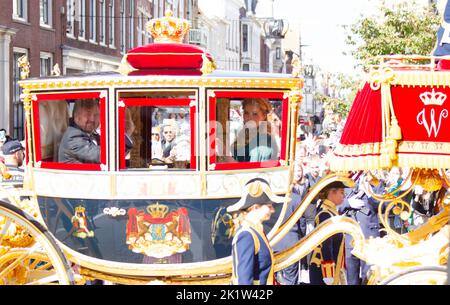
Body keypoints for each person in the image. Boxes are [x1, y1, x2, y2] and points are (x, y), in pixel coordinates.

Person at [227, 178, 285, 285]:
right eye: (269, 206)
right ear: (255, 207)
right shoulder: (246, 235)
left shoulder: (256, 231)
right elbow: (244, 280)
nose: (272, 210)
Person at [338, 174, 385, 285]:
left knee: (369, 276)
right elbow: (332, 205)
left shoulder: (376, 183)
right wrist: (348, 203)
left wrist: (369, 193)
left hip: (369, 237)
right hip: (351, 236)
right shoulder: (344, 182)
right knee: (351, 278)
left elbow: (383, 207)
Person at [273, 164, 308, 285]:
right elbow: (302, 223)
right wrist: (302, 237)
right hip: (290, 243)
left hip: (274, 243)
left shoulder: (271, 200)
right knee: (291, 279)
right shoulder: (296, 198)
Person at [309, 181, 348, 285]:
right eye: (341, 192)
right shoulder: (325, 214)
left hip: (333, 267)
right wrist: (328, 273)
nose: (344, 195)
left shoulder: (332, 212)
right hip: (322, 269)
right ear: (332, 193)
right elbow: (326, 245)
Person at [230, 98, 279, 162]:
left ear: (263, 116)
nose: (249, 118)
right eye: (246, 113)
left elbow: (253, 171)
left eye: (255, 114)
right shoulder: (244, 133)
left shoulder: (264, 141)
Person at [58, 99, 101, 164]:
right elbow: (100, 155)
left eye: (96, 115)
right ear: (76, 116)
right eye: (88, 114)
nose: (92, 119)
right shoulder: (73, 137)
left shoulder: (91, 133)